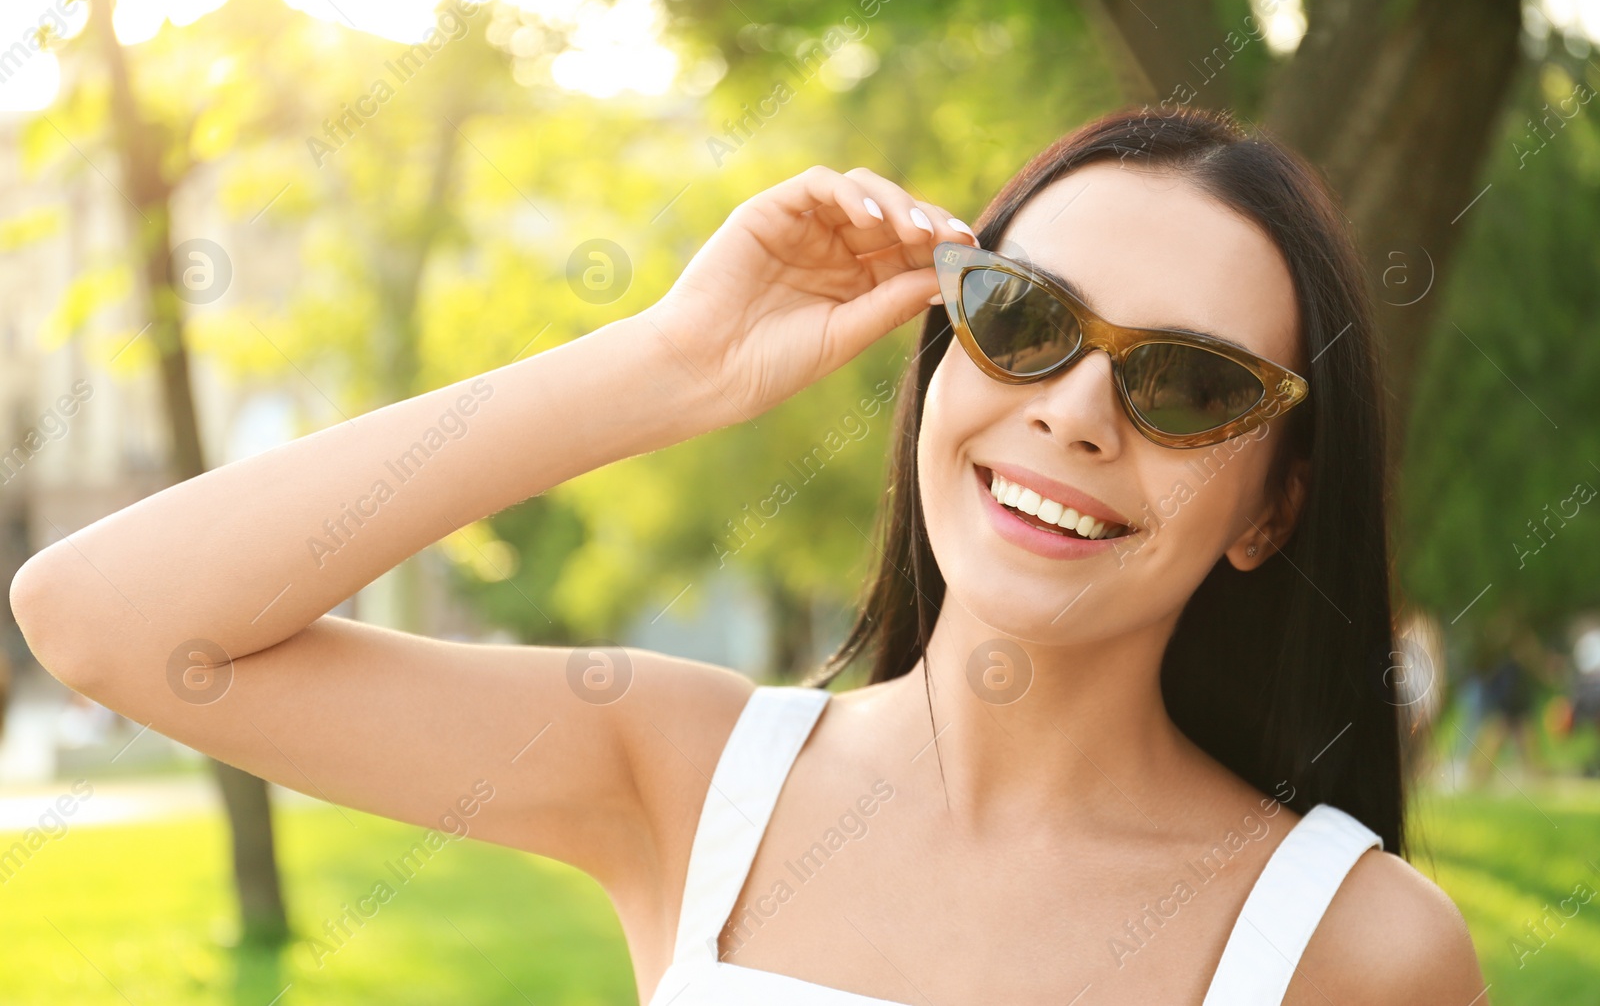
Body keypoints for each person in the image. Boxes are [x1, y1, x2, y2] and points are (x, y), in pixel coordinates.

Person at [10, 107, 1484, 1004]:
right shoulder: (688, 773)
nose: (1077, 413)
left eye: (1189, 385)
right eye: (1023, 317)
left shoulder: (1352, 948)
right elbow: (108, 619)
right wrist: (667, 363)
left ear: (1274, 511)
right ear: (943, 342)